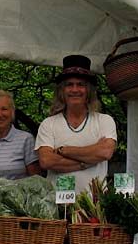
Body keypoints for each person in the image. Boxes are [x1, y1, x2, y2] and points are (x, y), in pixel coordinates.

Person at [35, 55, 117, 194]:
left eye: (80, 85)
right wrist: (88, 160)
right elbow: (46, 161)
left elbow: (105, 152)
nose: (75, 90)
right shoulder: (48, 124)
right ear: (62, 90)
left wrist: (64, 151)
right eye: (69, 84)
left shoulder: (104, 120)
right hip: (57, 207)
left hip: (95, 207)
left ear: (89, 90)